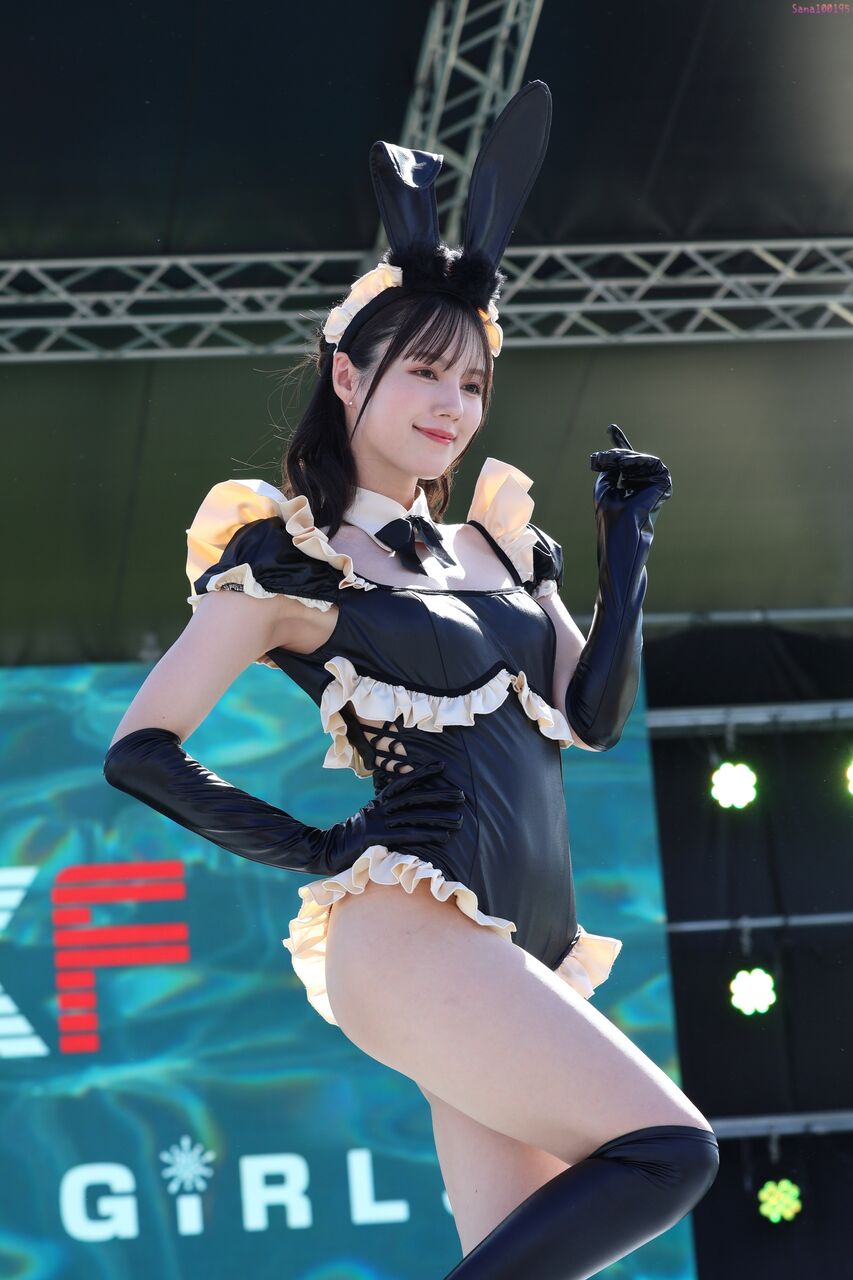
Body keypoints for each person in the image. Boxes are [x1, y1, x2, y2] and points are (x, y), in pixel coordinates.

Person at [103, 82, 718, 1279]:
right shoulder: (289, 555)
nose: (452, 405)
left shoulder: (498, 542)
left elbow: (591, 717)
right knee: (669, 1149)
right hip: (416, 929)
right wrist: (321, 845)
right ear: (348, 377)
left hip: (521, 941)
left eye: (473, 383)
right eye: (425, 373)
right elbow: (140, 747)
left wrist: (625, 551)